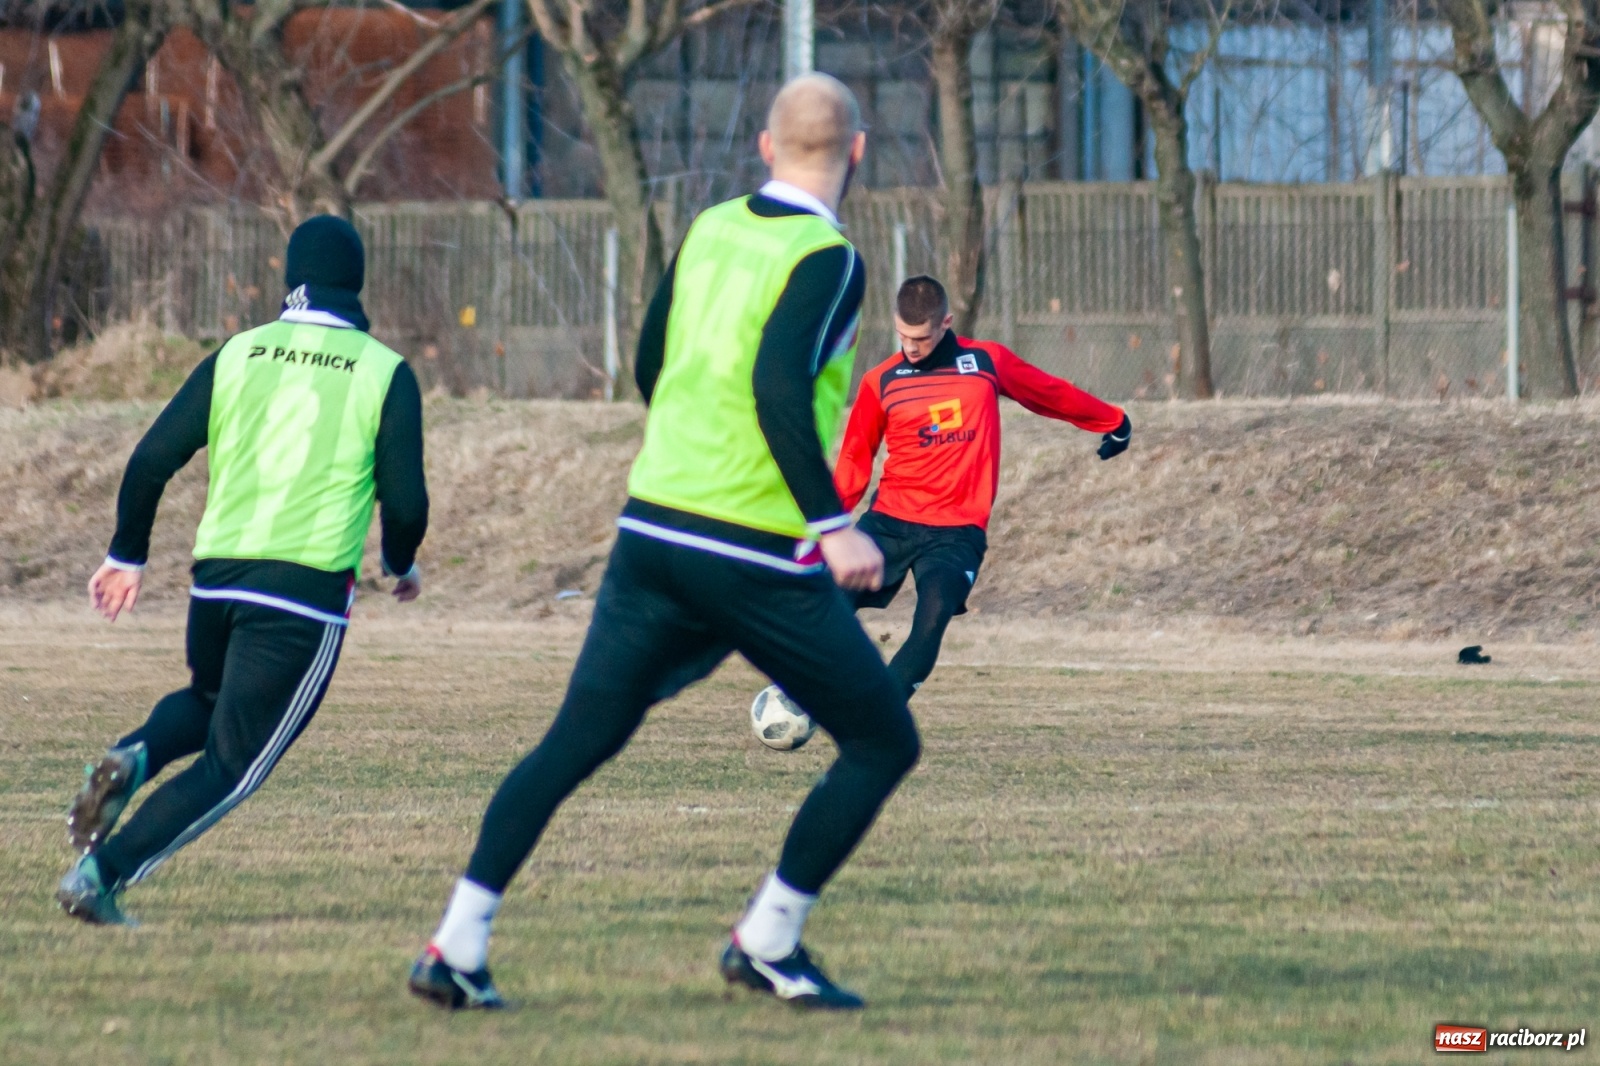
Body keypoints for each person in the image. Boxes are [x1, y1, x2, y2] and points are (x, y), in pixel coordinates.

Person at [408, 73, 917, 1012]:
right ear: (857, 151)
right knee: (883, 740)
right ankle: (768, 939)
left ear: (764, 148)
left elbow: (651, 362)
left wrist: (688, 449)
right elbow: (777, 386)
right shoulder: (829, 256)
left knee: (575, 741)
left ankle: (457, 942)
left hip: (652, 527)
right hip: (751, 547)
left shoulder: (710, 228)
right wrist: (833, 524)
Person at [57, 216, 429, 926]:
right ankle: (99, 877)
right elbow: (406, 501)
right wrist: (399, 562)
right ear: (356, 283)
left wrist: (127, 555)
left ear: (292, 278)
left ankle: (134, 756)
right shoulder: (384, 372)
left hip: (217, 582)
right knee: (234, 765)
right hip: (302, 595)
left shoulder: (238, 353)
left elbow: (150, 460)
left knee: (209, 700)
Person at [832, 274, 1130, 699]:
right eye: (903, 336)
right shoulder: (881, 380)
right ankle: (807, 694)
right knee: (829, 601)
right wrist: (824, 526)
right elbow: (854, 458)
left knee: (931, 620)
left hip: (956, 532)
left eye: (921, 338)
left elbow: (1048, 392)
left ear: (946, 323)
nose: (910, 347)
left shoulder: (986, 362)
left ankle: (876, 718)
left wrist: (1112, 420)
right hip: (890, 521)